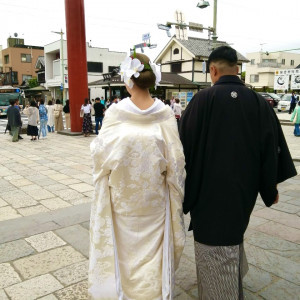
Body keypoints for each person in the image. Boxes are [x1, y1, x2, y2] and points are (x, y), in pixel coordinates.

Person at [179, 46, 297, 300]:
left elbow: (182, 148)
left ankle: (221, 293)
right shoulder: (258, 102)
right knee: (233, 233)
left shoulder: (202, 100)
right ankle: (232, 280)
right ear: (237, 68)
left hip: (207, 192)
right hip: (243, 191)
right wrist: (270, 187)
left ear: (213, 69)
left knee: (213, 242)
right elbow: (271, 147)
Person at [89, 52, 186, 299]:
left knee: (124, 258)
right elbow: (176, 163)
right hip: (154, 203)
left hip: (123, 202)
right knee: (153, 260)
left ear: (128, 80)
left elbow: (100, 157)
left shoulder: (115, 114)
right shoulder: (164, 114)